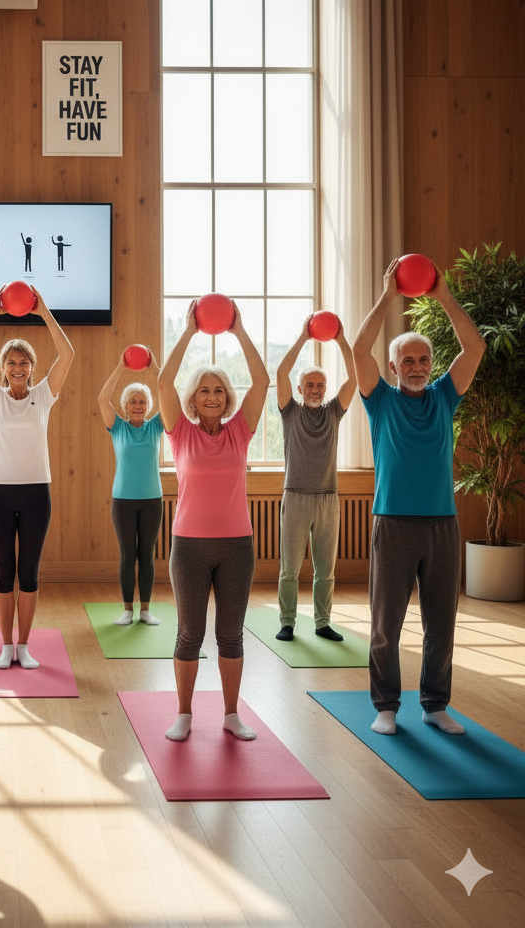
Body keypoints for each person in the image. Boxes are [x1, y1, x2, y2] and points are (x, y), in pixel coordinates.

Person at [352, 257, 485, 736]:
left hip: (442, 525)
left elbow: (474, 346)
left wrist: (443, 295)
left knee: (441, 623)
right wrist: (390, 296)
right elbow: (357, 348)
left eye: (423, 359)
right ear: (393, 367)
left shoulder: (445, 396)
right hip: (393, 522)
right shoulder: (380, 399)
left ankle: (434, 703)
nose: (416, 367)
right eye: (407, 360)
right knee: (386, 621)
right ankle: (386, 705)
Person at [158, 299, 270, 742]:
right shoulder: (179, 432)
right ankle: (183, 713)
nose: (211, 396)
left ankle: (230, 714)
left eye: (218, 390)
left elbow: (262, 381)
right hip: (188, 545)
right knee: (189, 633)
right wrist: (188, 331)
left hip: (236, 546)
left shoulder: (240, 431)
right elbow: (163, 380)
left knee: (230, 635)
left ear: (227, 400)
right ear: (193, 398)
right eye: (204, 390)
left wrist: (239, 331)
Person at [0, 285, 74, 669]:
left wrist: (43, 312)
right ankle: (4, 646)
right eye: (11, 362)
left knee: (28, 572)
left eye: (23, 362)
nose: (17, 368)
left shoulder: (43, 395)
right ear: (3, 368)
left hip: (35, 494)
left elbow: (68, 354)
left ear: (32, 367)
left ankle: (23, 646)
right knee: (2, 572)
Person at [274, 316, 356, 642]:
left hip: (327, 498)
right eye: (309, 384)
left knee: (326, 570)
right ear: (299, 388)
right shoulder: (289, 411)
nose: (315, 390)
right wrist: (303, 336)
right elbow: (280, 372)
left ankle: (322, 623)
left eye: (320, 385)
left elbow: (355, 376)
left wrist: (341, 339)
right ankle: (287, 622)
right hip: (295, 496)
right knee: (289, 569)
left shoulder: (334, 411)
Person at [97, 350, 164, 626]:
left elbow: (172, 394)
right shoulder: (117, 427)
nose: (138, 405)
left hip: (152, 500)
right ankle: (127, 609)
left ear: (149, 405)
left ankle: (145, 610)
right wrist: (120, 366)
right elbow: (102, 398)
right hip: (123, 501)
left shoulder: (157, 426)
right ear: (125, 406)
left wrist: (156, 367)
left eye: (143, 401)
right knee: (127, 555)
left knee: (146, 555)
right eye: (133, 402)